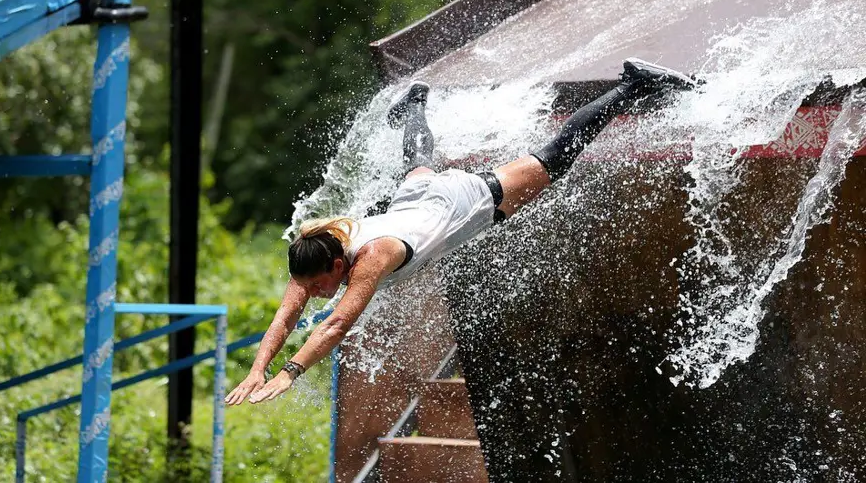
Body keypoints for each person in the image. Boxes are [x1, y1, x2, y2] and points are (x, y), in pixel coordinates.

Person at [225, 58, 697, 405]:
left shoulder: (371, 256)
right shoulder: (310, 253)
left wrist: (290, 372)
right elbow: (283, 319)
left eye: (318, 286)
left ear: (336, 265)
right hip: (414, 204)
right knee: (417, 165)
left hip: (461, 202)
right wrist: (256, 369)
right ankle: (414, 103)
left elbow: (337, 324)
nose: (315, 294)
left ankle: (632, 87)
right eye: (310, 289)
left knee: (554, 160)